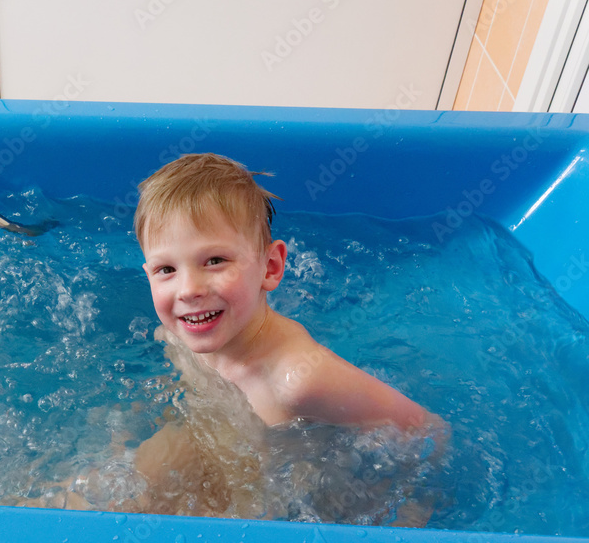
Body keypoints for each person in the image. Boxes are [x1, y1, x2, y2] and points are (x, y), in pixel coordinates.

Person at [127, 153, 446, 522]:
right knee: (122, 484)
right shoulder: (181, 332)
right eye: (166, 269)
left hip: (297, 490)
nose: (188, 290)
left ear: (271, 267)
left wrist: (408, 511)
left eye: (214, 261)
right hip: (225, 453)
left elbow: (427, 431)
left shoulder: (298, 379)